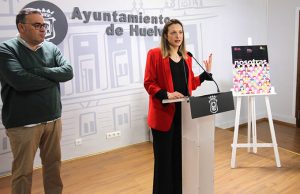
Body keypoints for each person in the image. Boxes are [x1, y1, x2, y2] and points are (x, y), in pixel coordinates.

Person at [0, 8, 73, 194]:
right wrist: (53, 76)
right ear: (21, 27)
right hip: (23, 123)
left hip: (53, 119)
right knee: (22, 172)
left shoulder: (51, 48)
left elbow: (68, 72)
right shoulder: (6, 49)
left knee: (53, 167)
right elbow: (20, 81)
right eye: (37, 25)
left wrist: (38, 71)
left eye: (44, 25)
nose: (43, 29)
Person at [144, 19, 213, 194]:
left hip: (184, 117)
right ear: (166, 36)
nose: (178, 36)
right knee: (164, 162)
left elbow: (189, 85)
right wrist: (166, 94)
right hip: (163, 117)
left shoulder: (187, 58)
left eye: (180, 32)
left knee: (179, 159)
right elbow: (149, 82)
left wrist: (206, 75)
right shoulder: (154, 54)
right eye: (173, 32)